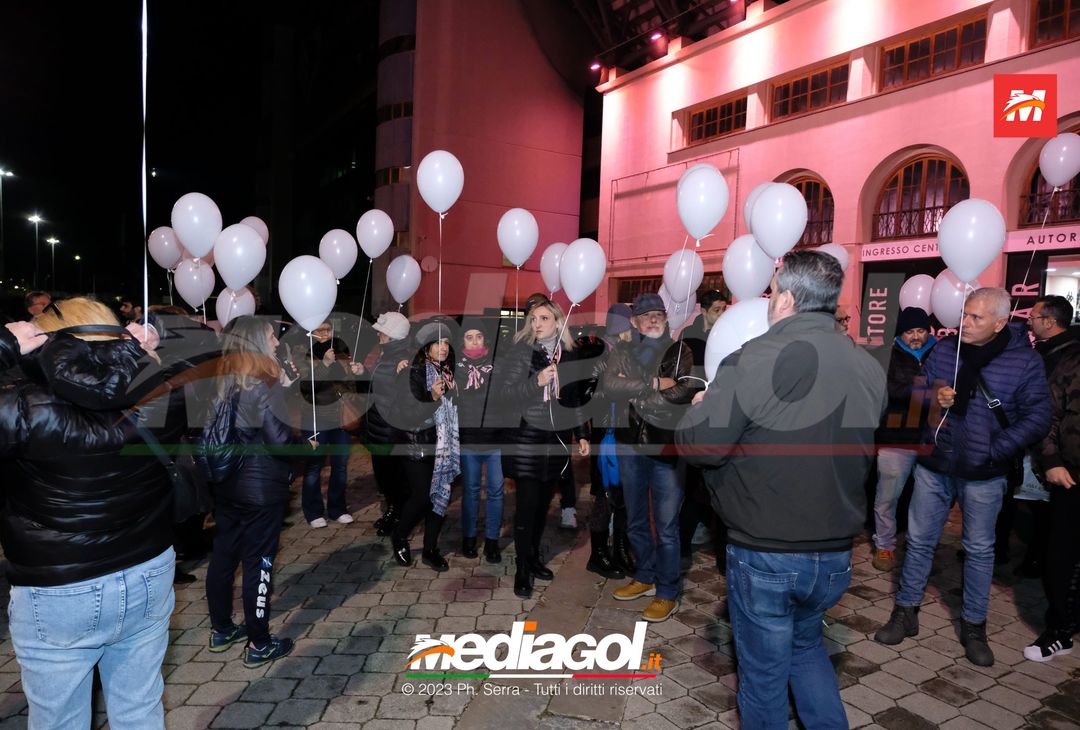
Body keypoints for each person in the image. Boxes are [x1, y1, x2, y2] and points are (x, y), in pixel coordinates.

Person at [677, 250, 886, 728]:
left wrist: (698, 408)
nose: (769, 301)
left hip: (768, 552)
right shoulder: (867, 365)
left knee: (763, 679)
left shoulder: (755, 358)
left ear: (786, 299)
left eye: (772, 293)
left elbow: (702, 446)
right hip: (834, 553)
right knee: (806, 649)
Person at [0, 297, 183, 729]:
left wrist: (5, 347)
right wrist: (135, 351)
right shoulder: (163, 389)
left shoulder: (21, 405)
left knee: (60, 721)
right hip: (148, 568)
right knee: (140, 710)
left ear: (46, 340)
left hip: (60, 588)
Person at [875, 288, 1051, 667]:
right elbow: (919, 391)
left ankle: (974, 626)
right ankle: (905, 611)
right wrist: (933, 395)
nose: (964, 324)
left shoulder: (1024, 361)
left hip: (983, 474)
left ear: (1000, 323)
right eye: (964, 315)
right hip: (935, 465)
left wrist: (996, 448)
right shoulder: (944, 349)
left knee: (980, 550)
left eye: (976, 318)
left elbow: (1038, 416)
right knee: (918, 542)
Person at [204, 316, 299, 669]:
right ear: (258, 340)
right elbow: (278, 439)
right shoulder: (263, 380)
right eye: (272, 336)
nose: (276, 342)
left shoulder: (221, 377)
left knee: (224, 556)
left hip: (227, 483)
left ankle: (221, 629)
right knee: (259, 563)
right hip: (260, 486)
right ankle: (259, 642)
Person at [602, 292, 700, 622]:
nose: (653, 319)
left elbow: (682, 391)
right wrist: (655, 383)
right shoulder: (623, 351)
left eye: (658, 313)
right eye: (646, 316)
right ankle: (645, 575)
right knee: (636, 518)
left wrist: (638, 393)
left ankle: (667, 592)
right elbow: (610, 385)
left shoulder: (680, 350)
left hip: (665, 446)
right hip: (629, 444)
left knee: (667, 525)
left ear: (666, 318)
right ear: (635, 322)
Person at [497, 296, 590, 598]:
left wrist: (582, 433)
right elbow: (504, 395)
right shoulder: (520, 352)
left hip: (556, 442)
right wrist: (535, 382)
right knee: (526, 508)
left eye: (544, 319)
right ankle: (522, 569)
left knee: (542, 507)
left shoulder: (569, 355)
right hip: (526, 440)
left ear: (558, 322)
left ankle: (533, 556)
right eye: (533, 319)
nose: (536, 324)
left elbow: (574, 398)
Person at [1026, 295, 1080, 661]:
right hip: (1071, 475)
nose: (1029, 321)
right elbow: (1049, 413)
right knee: (1063, 556)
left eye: (1033, 316)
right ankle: (1060, 629)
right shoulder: (1069, 360)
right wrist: (1052, 460)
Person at [390, 320, 460, 572]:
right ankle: (399, 535)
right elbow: (409, 416)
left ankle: (430, 549)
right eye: (437, 342)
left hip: (441, 446)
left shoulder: (448, 372)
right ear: (425, 346)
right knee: (421, 497)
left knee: (439, 496)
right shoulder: (411, 372)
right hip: (416, 444)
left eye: (446, 343)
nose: (443, 347)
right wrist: (432, 397)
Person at [871, 306, 937, 572]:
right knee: (887, 496)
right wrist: (930, 393)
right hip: (895, 436)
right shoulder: (886, 354)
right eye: (910, 331)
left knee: (926, 499)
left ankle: (918, 545)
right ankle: (884, 545)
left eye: (921, 330)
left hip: (931, 437)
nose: (916, 336)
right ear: (900, 333)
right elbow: (890, 390)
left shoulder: (940, 352)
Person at [582, 303, 634, 580]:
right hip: (605, 436)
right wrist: (613, 388)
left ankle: (621, 551)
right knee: (604, 497)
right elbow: (586, 397)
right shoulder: (598, 355)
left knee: (624, 497)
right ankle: (598, 555)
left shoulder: (631, 354)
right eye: (629, 325)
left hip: (627, 435)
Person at [298, 320, 359, 528]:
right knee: (314, 465)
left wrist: (355, 373)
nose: (326, 333)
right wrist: (324, 365)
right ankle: (313, 511)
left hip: (340, 418)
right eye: (321, 330)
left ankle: (337, 508)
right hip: (315, 418)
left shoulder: (340, 351)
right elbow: (305, 387)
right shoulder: (304, 354)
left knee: (340, 466)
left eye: (329, 329)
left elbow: (350, 384)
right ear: (312, 332)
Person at [456, 319, 505, 563]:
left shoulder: (499, 366)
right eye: (469, 337)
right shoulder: (455, 368)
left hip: (496, 440)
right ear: (462, 341)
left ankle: (492, 541)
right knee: (471, 491)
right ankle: (469, 537)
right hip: (468, 440)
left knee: (496, 492)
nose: (475, 341)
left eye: (479, 336)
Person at [365, 312, 413, 536]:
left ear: (392, 336)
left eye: (381, 331)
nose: (378, 334)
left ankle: (398, 515)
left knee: (394, 478)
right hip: (377, 428)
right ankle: (393, 510)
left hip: (390, 431)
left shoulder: (402, 360)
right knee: (384, 477)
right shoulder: (385, 355)